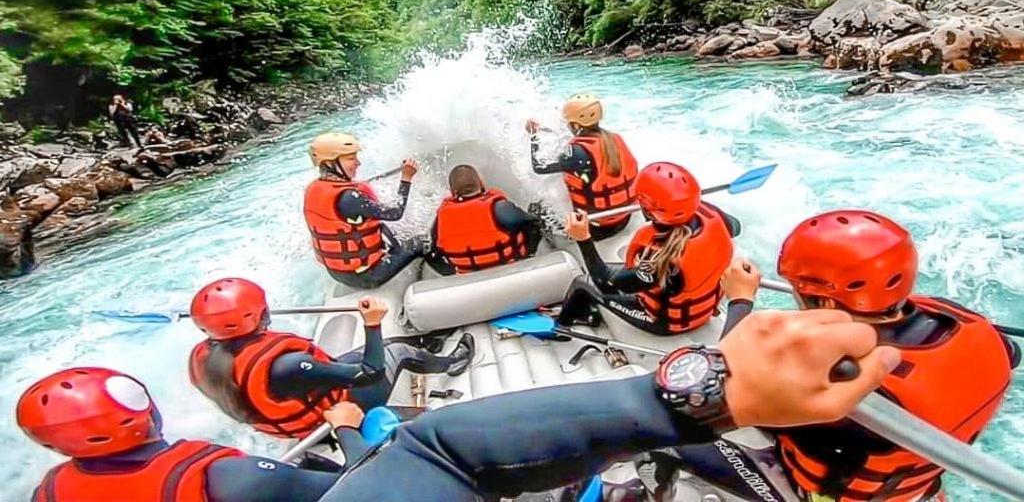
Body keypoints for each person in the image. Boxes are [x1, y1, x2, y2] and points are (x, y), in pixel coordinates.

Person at [17, 308, 904, 501]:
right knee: (396, 399)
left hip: (295, 429)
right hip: (321, 426)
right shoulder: (233, 484)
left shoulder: (57, 493)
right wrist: (716, 394)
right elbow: (423, 442)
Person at [721, 210, 1020, 502]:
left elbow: (729, 385)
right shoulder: (964, 323)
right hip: (918, 484)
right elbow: (1011, 353)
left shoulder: (835, 375)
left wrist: (740, 300)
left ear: (824, 300)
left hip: (829, 492)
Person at [187, 277, 474, 440]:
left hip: (295, 412)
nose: (267, 311)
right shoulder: (287, 365)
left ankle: (426, 350)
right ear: (252, 317)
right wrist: (372, 322)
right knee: (395, 353)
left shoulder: (203, 358)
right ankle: (452, 362)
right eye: (262, 309)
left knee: (383, 346)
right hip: (331, 420)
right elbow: (370, 373)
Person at [558, 162, 741, 335]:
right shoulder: (710, 213)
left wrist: (583, 238)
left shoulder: (660, 259)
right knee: (624, 272)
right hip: (705, 307)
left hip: (664, 321)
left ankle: (562, 327)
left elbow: (604, 282)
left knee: (582, 283)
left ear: (647, 208)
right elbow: (735, 226)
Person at [303, 132, 422, 288]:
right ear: (330, 163)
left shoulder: (314, 188)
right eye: (351, 159)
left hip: (337, 273)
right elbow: (395, 212)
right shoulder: (350, 198)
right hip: (367, 275)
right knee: (421, 241)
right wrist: (406, 178)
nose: (358, 163)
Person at [527, 94, 638, 240]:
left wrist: (534, 136)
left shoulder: (577, 153)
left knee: (536, 209)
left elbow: (539, 167)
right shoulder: (615, 138)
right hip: (623, 219)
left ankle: (555, 247)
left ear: (575, 125)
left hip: (595, 229)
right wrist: (545, 130)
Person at [427, 164, 544, 275]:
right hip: (509, 265)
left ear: (453, 192)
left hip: (468, 276)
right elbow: (531, 221)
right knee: (535, 213)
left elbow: (436, 249)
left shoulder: (441, 219)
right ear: (481, 183)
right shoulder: (499, 208)